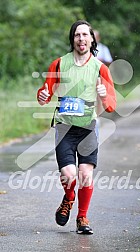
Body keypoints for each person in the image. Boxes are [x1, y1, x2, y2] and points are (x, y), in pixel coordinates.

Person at [37, 20, 116, 235]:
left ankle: (82, 217)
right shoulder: (59, 64)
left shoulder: (100, 68)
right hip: (64, 127)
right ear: (73, 40)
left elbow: (111, 104)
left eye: (85, 35)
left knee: (85, 174)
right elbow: (45, 92)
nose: (81, 39)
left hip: (88, 127)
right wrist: (42, 96)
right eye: (77, 35)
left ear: (92, 39)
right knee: (70, 175)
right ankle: (69, 197)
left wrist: (104, 97)